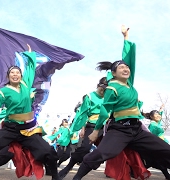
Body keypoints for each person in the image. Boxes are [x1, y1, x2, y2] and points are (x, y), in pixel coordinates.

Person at [71, 25, 170, 180]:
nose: (126, 68)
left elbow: (129, 58)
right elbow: (105, 110)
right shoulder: (112, 87)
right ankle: (77, 177)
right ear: (113, 73)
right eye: (121, 67)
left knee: (165, 149)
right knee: (101, 154)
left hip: (136, 129)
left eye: (126, 67)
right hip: (119, 130)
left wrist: (126, 38)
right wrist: (96, 130)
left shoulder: (129, 82)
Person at [0, 46, 59, 180]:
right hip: (10, 129)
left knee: (48, 151)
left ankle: (55, 176)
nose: (15, 74)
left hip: (28, 129)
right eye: (12, 73)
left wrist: (30, 55)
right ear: (8, 76)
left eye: (17, 72)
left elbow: (31, 69)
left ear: (20, 75)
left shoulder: (25, 85)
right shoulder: (3, 92)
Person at [58, 77, 107, 178]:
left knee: (104, 151)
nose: (104, 91)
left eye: (107, 89)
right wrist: (83, 128)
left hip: (105, 126)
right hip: (92, 125)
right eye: (103, 88)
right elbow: (84, 114)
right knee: (84, 148)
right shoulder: (89, 96)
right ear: (98, 86)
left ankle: (78, 176)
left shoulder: (109, 96)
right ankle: (68, 167)